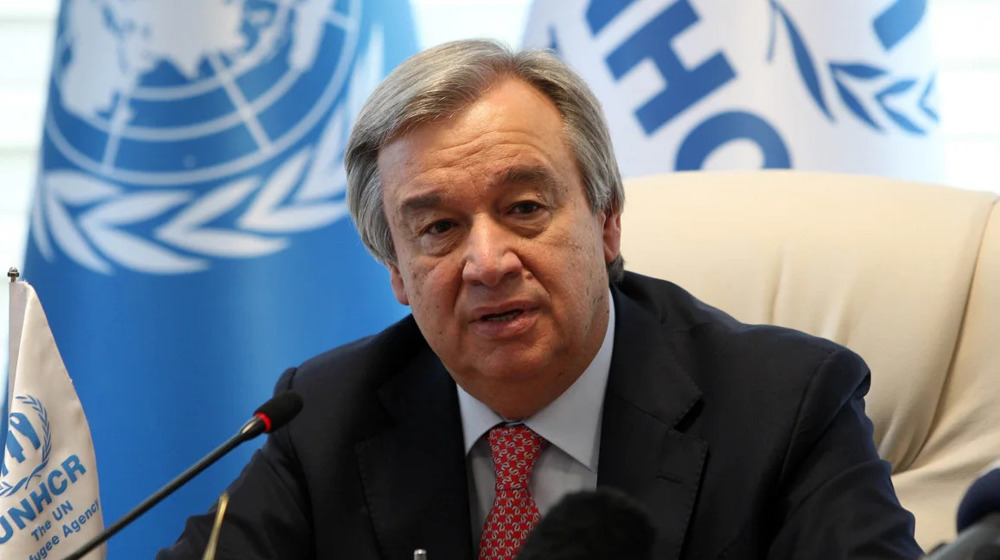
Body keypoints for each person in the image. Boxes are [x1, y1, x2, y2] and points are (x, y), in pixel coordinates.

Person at [158, 40, 922, 559]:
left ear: (607, 219)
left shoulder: (786, 406)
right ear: (395, 271)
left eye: (525, 208)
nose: (487, 262)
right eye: (439, 229)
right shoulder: (325, 416)